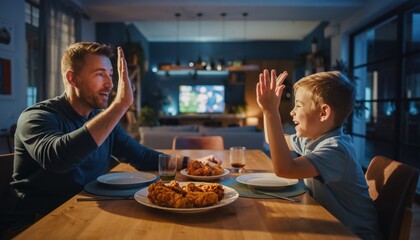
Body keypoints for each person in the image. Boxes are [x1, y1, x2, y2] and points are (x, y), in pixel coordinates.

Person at [1, 42, 220, 234]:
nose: (109, 84)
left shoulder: (101, 120)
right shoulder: (36, 117)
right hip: (38, 223)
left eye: (110, 75)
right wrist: (119, 106)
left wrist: (192, 164)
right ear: (72, 78)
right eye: (99, 74)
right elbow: (59, 159)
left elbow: (141, 156)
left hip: (85, 212)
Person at [256, 69, 382, 240]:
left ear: (323, 113)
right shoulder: (313, 140)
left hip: (354, 235)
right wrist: (267, 109)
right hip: (331, 226)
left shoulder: (335, 149)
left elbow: (286, 169)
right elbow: (271, 139)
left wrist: (272, 112)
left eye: (298, 105)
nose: (292, 112)